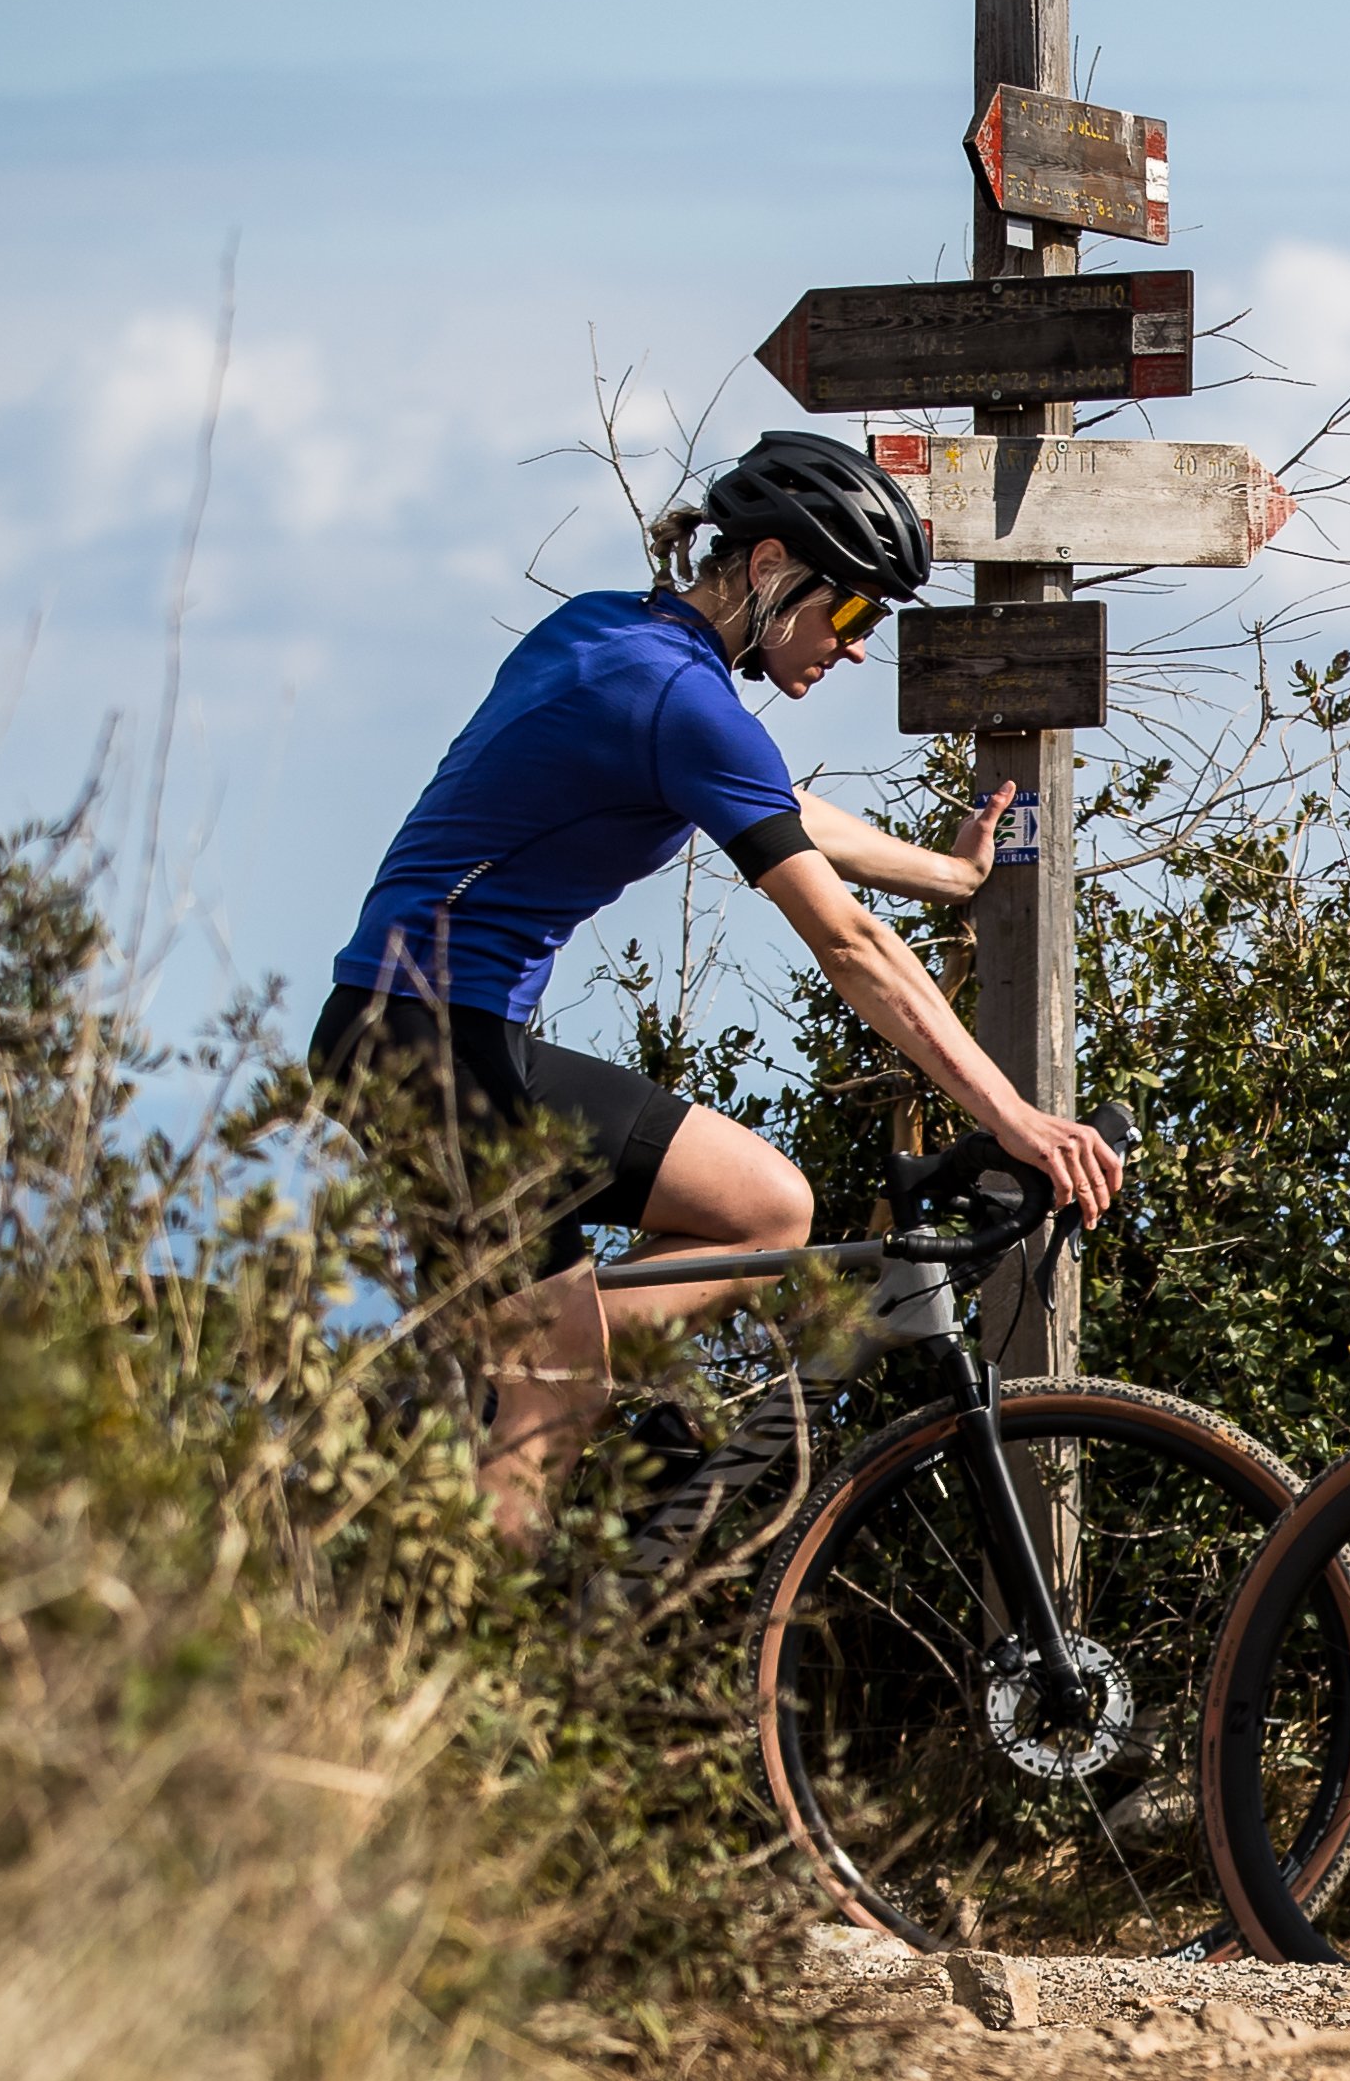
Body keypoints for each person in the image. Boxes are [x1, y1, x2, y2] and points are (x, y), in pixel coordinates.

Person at [314, 429, 1122, 1538]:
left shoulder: (615, 638)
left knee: (764, 1209)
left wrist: (943, 871)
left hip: (432, 1036)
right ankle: (460, 1694)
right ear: (770, 566)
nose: (851, 650)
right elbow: (848, 945)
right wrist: (1016, 1116)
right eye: (848, 616)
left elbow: (769, 803)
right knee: (558, 1395)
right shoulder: (677, 704)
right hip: (425, 1049)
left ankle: (474, 1371)